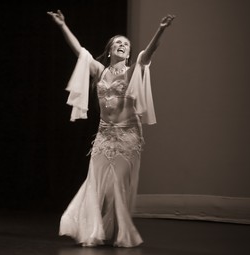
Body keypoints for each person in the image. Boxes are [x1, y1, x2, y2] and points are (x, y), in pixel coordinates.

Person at [47, 10, 175, 248]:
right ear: (109, 50)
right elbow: (79, 51)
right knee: (95, 184)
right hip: (104, 135)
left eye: (126, 44)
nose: (122, 45)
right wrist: (63, 25)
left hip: (128, 135)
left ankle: (120, 232)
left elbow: (149, 53)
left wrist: (161, 29)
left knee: (117, 186)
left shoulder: (134, 69)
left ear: (128, 51)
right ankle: (92, 230)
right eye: (118, 42)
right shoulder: (100, 70)